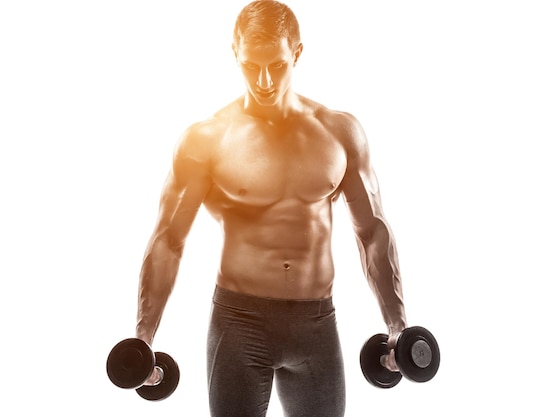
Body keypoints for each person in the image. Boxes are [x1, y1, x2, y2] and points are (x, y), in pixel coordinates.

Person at [135, 1, 407, 416]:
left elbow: (372, 233)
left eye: (277, 65)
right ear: (235, 53)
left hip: (316, 325)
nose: (263, 79)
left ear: (297, 53)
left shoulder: (339, 134)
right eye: (251, 65)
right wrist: (143, 336)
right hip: (239, 324)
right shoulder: (205, 141)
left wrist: (397, 326)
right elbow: (168, 241)